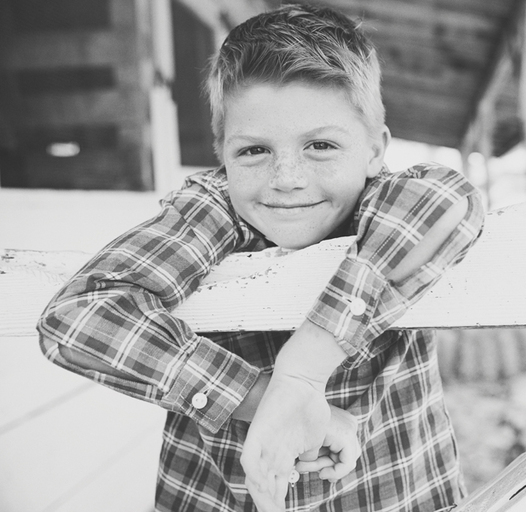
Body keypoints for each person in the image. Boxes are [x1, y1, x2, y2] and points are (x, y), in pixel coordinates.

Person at [37, 4, 484, 512]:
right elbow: (78, 314)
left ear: (375, 151)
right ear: (222, 153)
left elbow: (450, 200)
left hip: (396, 492)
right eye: (253, 151)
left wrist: (304, 371)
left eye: (320, 145)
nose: (287, 178)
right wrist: (261, 396)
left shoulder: (391, 204)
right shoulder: (214, 208)